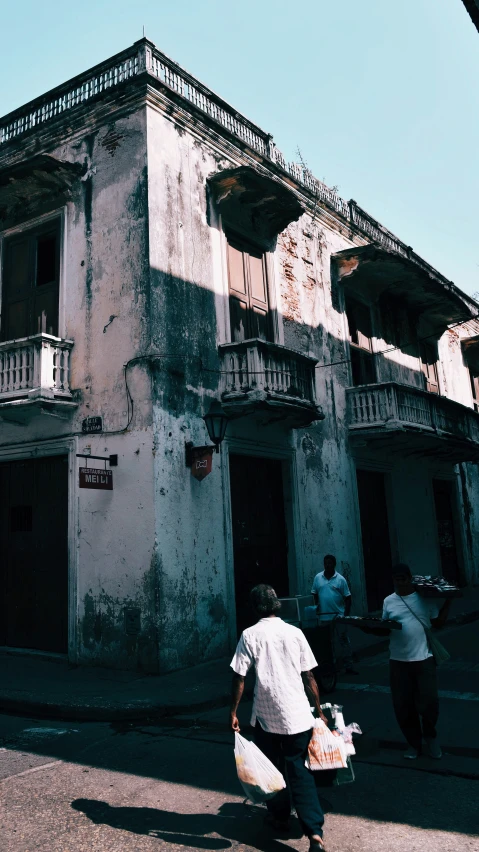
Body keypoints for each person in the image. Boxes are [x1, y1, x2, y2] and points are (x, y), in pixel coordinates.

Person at [230, 584, 328, 852]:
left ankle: (280, 817)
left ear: (254, 608)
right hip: (297, 716)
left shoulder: (250, 635)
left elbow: (239, 676)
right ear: (277, 605)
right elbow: (309, 676)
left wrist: (234, 712)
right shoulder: (294, 633)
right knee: (300, 771)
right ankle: (314, 833)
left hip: (266, 718)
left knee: (272, 772)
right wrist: (318, 710)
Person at [382, 563, 451, 760]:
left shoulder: (424, 599)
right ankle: (414, 743)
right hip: (398, 661)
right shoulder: (389, 601)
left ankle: (430, 737)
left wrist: (449, 601)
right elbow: (385, 626)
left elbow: (438, 623)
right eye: (396, 579)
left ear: (410, 578)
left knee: (429, 702)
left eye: (403, 578)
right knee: (403, 705)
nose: (400, 583)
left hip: (424, 659)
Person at [311, 555, 358, 674]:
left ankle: (349, 666)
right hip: (323, 617)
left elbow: (348, 598)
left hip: (338, 616)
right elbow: (314, 595)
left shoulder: (340, 579)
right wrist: (315, 609)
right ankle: (330, 666)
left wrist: (345, 616)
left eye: (330, 563)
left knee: (343, 640)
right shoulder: (318, 578)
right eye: (326, 563)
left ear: (334, 564)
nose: (328, 565)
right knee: (327, 643)